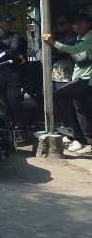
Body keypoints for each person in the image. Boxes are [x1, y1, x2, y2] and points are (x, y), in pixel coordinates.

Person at [44, 12, 92, 154]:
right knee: (80, 110)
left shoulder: (89, 38)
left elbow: (74, 50)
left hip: (87, 80)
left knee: (58, 96)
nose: (77, 26)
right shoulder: (78, 38)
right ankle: (81, 139)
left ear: (88, 24)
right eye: (75, 23)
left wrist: (53, 42)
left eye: (80, 23)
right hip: (78, 79)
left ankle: (76, 135)